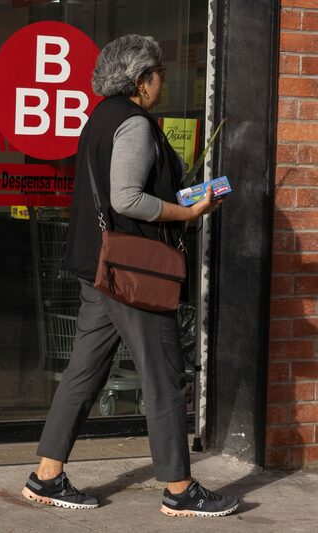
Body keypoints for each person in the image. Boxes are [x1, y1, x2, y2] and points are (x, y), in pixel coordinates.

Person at [20, 35, 239, 517]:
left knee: (83, 371)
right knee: (163, 374)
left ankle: (47, 476)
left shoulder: (101, 117)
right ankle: (180, 490)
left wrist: (185, 196)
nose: (164, 80)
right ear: (142, 80)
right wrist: (189, 212)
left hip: (100, 266)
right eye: (159, 73)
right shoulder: (135, 123)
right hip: (132, 273)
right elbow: (127, 200)